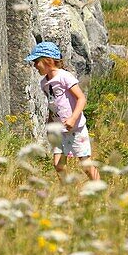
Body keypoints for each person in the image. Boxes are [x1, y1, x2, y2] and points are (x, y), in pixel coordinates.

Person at [25, 41, 100, 182]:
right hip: (59, 130)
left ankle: (100, 191)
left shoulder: (64, 77)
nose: (35, 66)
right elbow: (52, 105)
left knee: (86, 166)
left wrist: (72, 119)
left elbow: (81, 99)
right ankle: (68, 193)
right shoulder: (44, 83)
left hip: (75, 128)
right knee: (58, 166)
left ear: (47, 61)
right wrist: (49, 125)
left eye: (36, 61)